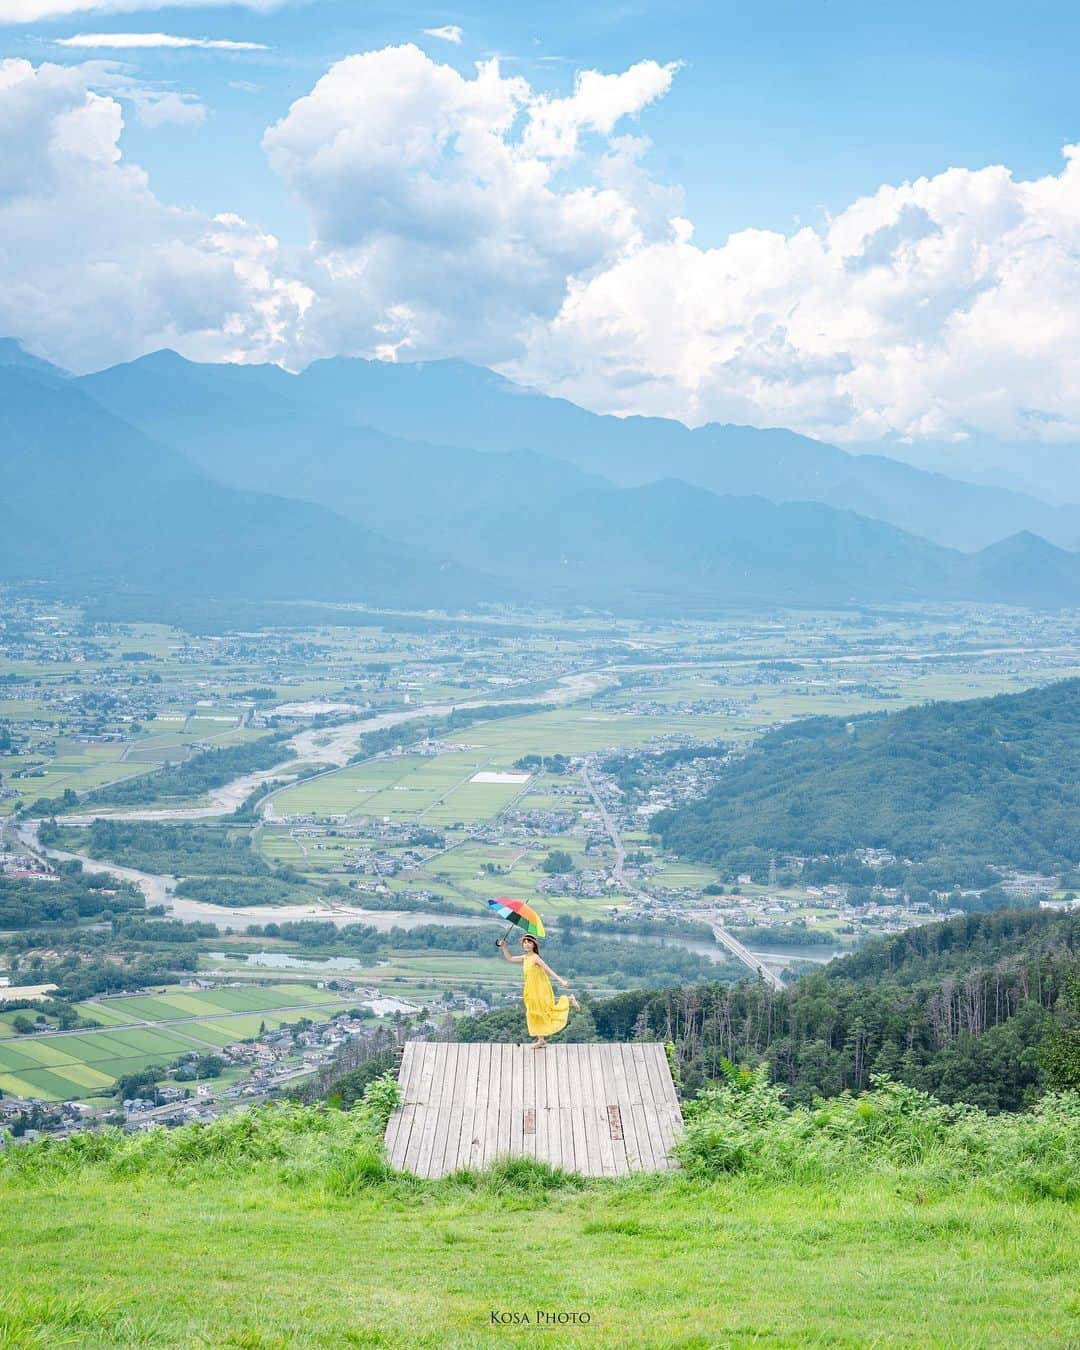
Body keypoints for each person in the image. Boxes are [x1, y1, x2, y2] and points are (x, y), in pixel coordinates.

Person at [497, 933, 580, 1047]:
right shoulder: (525, 957)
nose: (526, 945)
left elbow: (549, 970)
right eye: (524, 943)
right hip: (530, 990)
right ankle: (541, 1040)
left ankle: (569, 1000)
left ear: (533, 945)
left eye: (529, 943)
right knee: (533, 1013)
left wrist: (561, 981)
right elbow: (510, 958)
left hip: (540, 988)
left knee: (544, 1011)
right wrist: (504, 947)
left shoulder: (535, 958)